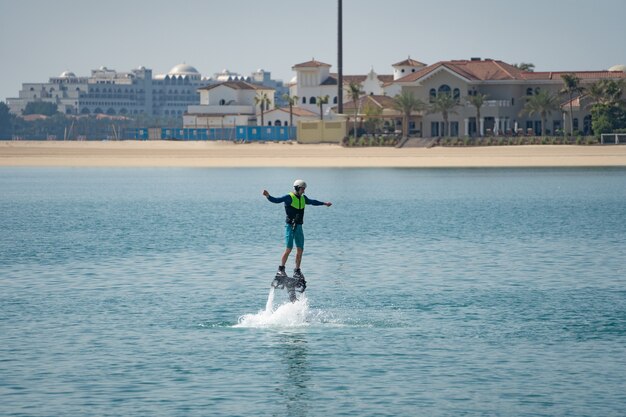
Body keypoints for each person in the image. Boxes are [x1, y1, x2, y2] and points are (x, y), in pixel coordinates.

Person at [262, 179, 332, 282]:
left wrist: (324, 203)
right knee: (289, 249)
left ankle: (297, 271)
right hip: (290, 227)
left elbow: (313, 202)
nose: (304, 191)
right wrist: (268, 196)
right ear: (297, 188)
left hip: (299, 227)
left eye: (304, 189)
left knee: (300, 250)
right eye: (302, 189)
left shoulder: (304, 198)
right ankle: (281, 269)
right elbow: (276, 200)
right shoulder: (289, 197)